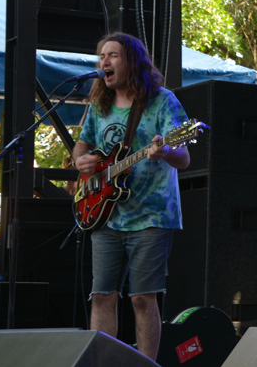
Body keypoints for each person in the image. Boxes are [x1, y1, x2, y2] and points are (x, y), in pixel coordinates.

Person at [73, 32, 190, 360]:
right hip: (105, 214)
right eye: (101, 56)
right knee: (102, 296)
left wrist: (165, 150)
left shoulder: (162, 101)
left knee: (142, 298)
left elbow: (184, 158)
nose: (104, 62)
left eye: (112, 55)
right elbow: (83, 145)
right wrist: (80, 159)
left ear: (133, 62)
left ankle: (147, 364)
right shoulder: (100, 104)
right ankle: (103, 362)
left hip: (151, 215)